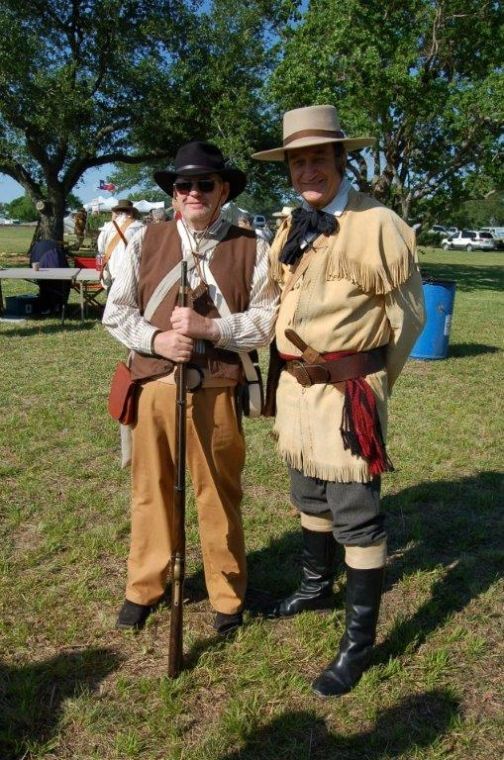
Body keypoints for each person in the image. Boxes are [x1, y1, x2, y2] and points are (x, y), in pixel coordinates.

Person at [253, 105, 425, 697]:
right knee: (308, 492)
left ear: (341, 160)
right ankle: (311, 583)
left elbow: (409, 320)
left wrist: (373, 385)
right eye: (297, 161)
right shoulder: (291, 225)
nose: (307, 170)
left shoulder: (378, 225)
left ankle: (358, 644)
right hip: (298, 392)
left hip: (348, 393)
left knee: (356, 513)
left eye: (318, 159)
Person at [102, 140, 278, 636]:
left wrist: (210, 331)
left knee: (218, 494)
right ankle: (145, 585)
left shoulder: (252, 245)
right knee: (150, 490)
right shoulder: (144, 240)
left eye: (205, 183)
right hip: (154, 383)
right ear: (174, 194)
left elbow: (267, 321)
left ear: (223, 190)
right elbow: (116, 312)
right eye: (185, 185)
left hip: (219, 387)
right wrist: (157, 338)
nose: (194, 192)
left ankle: (226, 595)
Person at [97, 199, 145, 289]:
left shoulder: (108, 228)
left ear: (117, 212)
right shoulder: (140, 227)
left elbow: (101, 249)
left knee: (112, 301)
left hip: (113, 271)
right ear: (131, 213)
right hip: (133, 272)